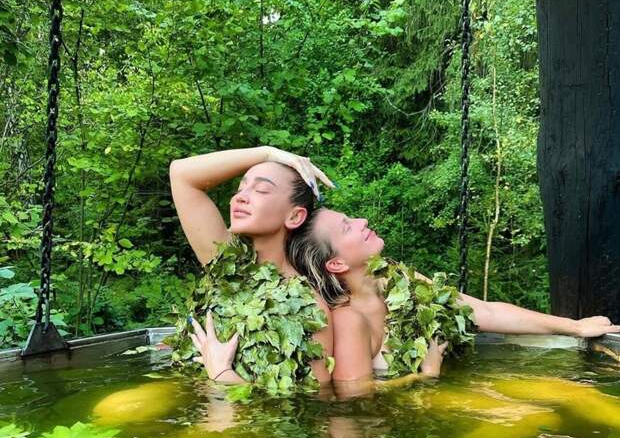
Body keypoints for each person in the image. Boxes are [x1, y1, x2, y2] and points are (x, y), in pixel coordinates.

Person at [285, 208, 620, 382]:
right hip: (402, 431)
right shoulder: (348, 319)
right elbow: (355, 404)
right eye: (347, 226)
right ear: (337, 263)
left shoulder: (397, 280)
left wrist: (574, 327)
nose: (362, 221)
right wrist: (428, 372)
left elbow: (484, 311)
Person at [169, 146, 335, 383]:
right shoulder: (227, 266)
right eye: (240, 188)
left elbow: (312, 397)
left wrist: (221, 373)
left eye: (261, 190)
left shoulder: (309, 307)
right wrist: (266, 153)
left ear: (295, 216)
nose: (240, 197)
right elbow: (181, 173)